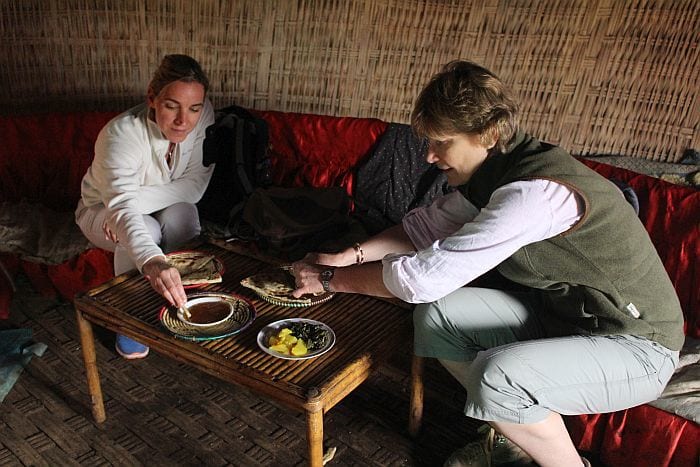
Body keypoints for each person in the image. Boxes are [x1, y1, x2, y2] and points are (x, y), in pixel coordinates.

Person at [290, 60, 684, 467]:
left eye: (440, 142)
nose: (427, 156)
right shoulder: (496, 171)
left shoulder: (531, 196)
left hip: (638, 345)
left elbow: (421, 280)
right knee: (437, 316)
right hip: (569, 321)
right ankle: (512, 435)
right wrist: (347, 255)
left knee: (500, 374)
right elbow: (425, 229)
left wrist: (329, 279)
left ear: (486, 134)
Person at [75, 54, 215, 359]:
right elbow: (122, 210)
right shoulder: (120, 134)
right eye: (171, 106)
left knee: (184, 212)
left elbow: (194, 187)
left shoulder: (203, 116)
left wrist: (128, 206)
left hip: (129, 207)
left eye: (193, 108)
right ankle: (130, 320)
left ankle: (187, 303)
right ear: (152, 97)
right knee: (145, 227)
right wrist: (150, 257)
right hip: (98, 212)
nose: (184, 121)